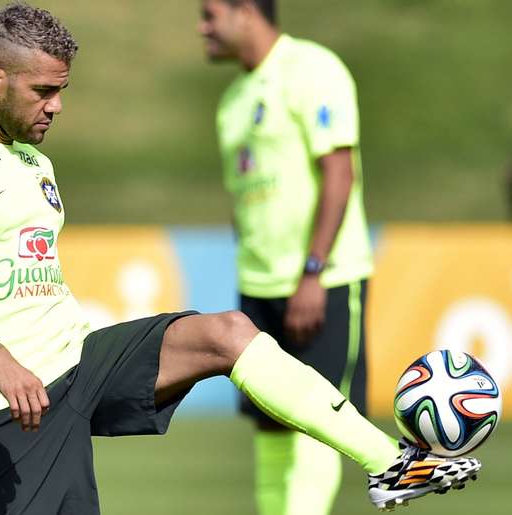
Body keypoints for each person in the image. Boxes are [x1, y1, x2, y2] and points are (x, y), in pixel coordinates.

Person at [0, 3, 480, 514]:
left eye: (62, 89)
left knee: (226, 333)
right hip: (6, 403)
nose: (57, 106)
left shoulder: (34, 163)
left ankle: (392, 462)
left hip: (79, 361)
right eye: (44, 90)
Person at [199, 1, 377, 513]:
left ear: (247, 11)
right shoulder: (232, 100)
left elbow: (340, 173)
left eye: (210, 15)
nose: (201, 28)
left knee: (320, 425)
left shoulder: (313, 69)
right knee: (271, 432)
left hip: (321, 282)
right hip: (259, 288)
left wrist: (313, 273)